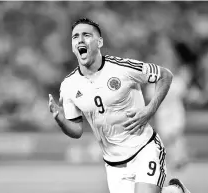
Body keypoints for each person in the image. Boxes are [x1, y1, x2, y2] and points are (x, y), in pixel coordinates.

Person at [48, 18, 190, 193]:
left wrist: (149, 110)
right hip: (114, 165)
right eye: (75, 36)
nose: (80, 40)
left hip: (145, 149)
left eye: (86, 35)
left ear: (99, 42)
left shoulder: (122, 68)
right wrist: (61, 119)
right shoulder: (68, 86)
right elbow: (76, 130)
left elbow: (165, 75)